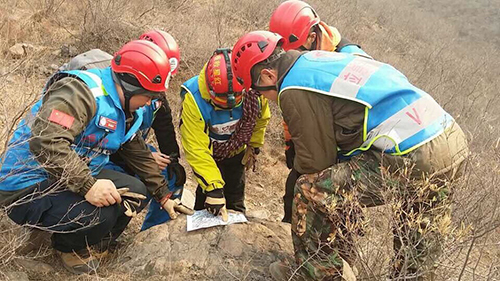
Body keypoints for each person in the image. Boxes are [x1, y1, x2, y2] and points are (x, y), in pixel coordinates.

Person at [231, 31, 469, 280]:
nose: (262, 97)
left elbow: (316, 163)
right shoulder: (318, 58)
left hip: (413, 153)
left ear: (268, 75)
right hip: (448, 137)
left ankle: (315, 274)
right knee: (417, 237)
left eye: (258, 91)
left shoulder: (292, 87)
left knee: (310, 190)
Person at [0, 40, 193, 274]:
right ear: (130, 86)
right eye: (148, 95)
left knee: (135, 192)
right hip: (27, 182)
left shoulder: (127, 109)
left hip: (70, 173)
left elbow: (136, 150)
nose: (151, 102)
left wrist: (163, 196)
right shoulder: (80, 92)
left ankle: (89, 238)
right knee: (101, 211)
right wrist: (88, 186)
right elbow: (47, 142)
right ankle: (68, 247)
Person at [59, 30, 187, 231]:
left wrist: (172, 162)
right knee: (131, 187)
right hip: (98, 153)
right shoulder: (106, 93)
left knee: (169, 172)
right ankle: (90, 233)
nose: (152, 97)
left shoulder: (155, 100)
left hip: (126, 147)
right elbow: (102, 139)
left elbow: (162, 131)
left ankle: (153, 231)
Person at [269, 0, 369, 223]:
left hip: (348, 142)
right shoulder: (302, 59)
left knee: (335, 205)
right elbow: (295, 107)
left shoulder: (349, 57)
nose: (290, 58)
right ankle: (291, 233)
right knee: (294, 187)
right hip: (316, 134)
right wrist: (291, 143)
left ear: (312, 37)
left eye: (294, 51)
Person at [179, 48, 270, 220]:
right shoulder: (194, 99)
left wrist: (254, 145)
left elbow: (260, 118)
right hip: (210, 154)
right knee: (207, 200)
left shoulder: (253, 90)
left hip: (237, 151)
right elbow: (196, 147)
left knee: (236, 193)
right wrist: (213, 189)